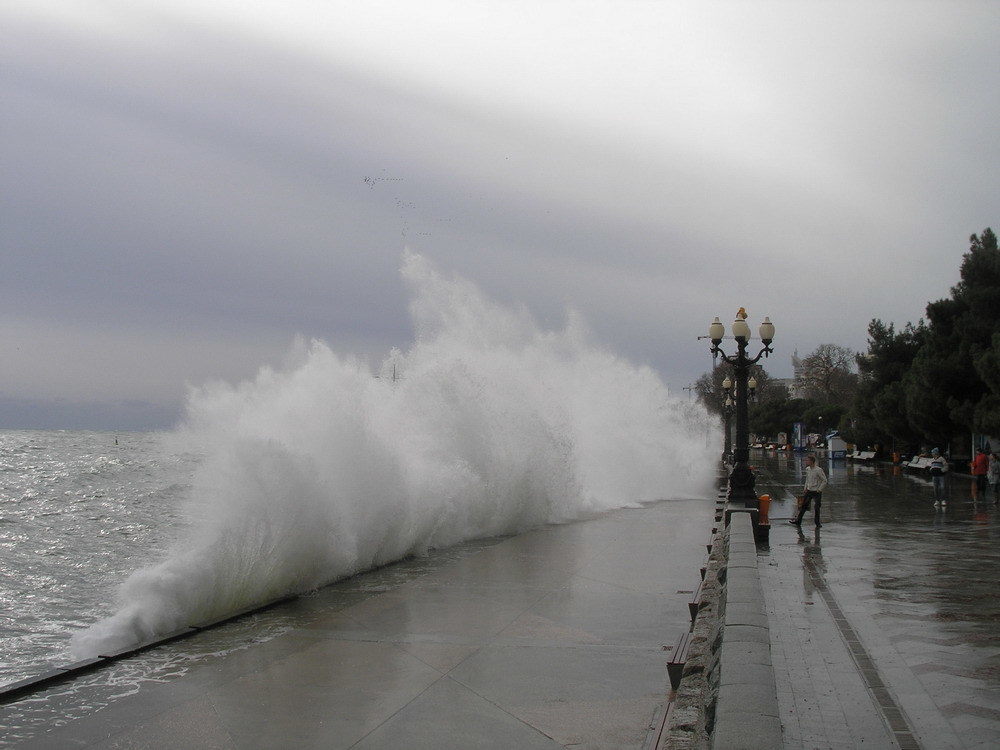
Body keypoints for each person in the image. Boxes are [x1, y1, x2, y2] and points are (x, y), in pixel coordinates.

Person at [791, 453, 828, 527]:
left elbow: (824, 480)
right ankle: (798, 521)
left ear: (812, 461)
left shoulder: (818, 470)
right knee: (804, 506)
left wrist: (820, 489)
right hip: (809, 490)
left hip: (816, 491)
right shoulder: (808, 469)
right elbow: (807, 480)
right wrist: (805, 488)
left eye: (807, 460)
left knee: (817, 507)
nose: (806, 462)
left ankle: (817, 523)